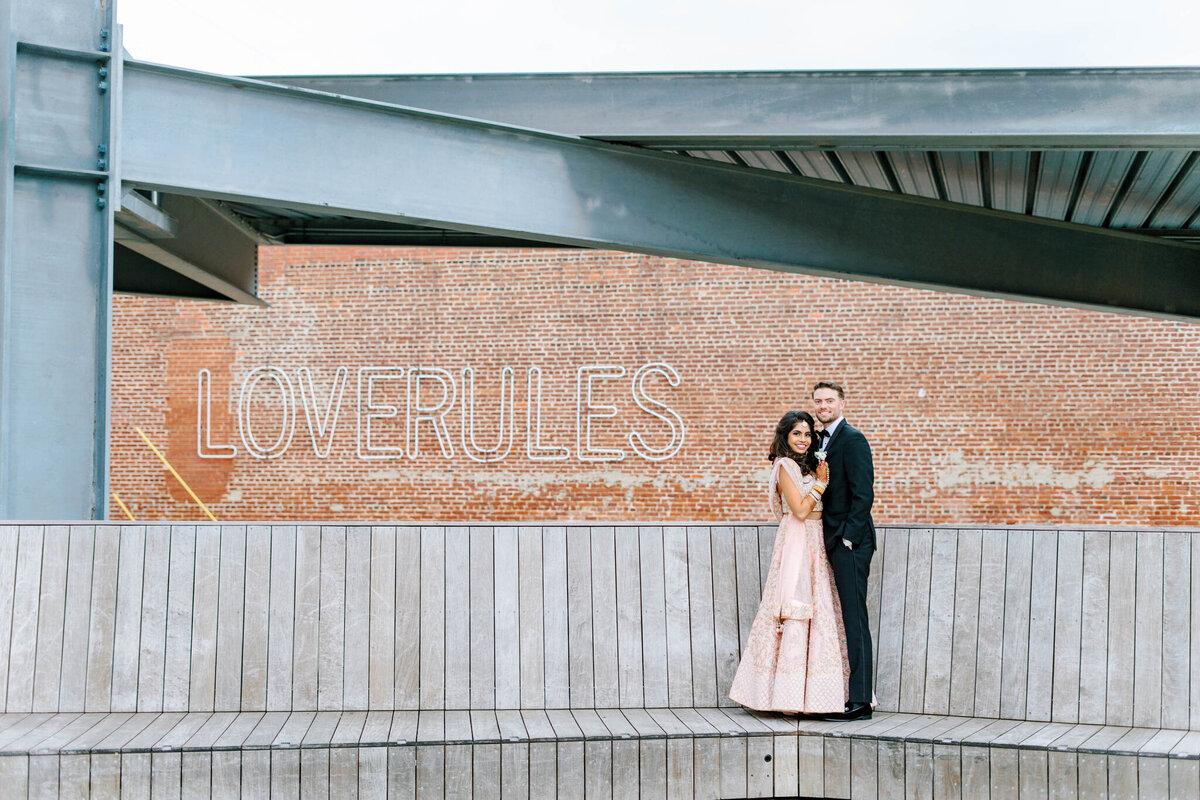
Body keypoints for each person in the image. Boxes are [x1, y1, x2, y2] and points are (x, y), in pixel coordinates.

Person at [728, 411, 850, 714]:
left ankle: (819, 694)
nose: (803, 439)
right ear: (785, 436)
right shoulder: (784, 466)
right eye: (796, 433)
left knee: (820, 608)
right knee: (796, 606)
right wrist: (821, 484)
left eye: (808, 434)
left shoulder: (808, 466)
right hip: (797, 538)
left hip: (816, 538)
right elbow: (798, 509)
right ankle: (787, 697)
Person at [812, 381, 875, 721]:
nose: (824, 405)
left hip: (850, 543)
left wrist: (848, 538)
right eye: (819, 401)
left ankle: (861, 701)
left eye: (830, 400)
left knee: (855, 618)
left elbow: (864, 493)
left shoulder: (853, 440)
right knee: (843, 617)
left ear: (842, 404)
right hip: (830, 540)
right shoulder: (819, 440)